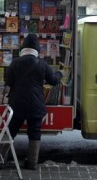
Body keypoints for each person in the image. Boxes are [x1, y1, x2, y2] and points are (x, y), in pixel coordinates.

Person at [5, 33, 62, 170]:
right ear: (37, 49)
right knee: (35, 132)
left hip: (17, 103)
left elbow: (8, 81)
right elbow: (53, 81)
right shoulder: (42, 64)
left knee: (10, 131)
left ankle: (0, 159)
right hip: (35, 104)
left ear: (23, 48)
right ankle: (32, 162)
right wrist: (60, 74)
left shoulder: (15, 62)